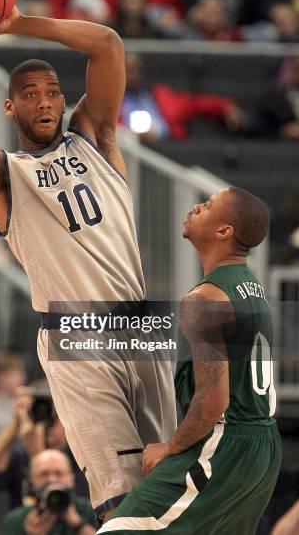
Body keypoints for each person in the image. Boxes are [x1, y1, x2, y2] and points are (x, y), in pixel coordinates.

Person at [0, 0, 176, 521]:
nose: (44, 103)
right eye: (29, 94)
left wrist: (19, 21)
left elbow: (108, 44)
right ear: (11, 107)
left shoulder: (96, 135)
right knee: (121, 496)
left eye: (51, 93)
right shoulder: (3, 177)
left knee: (168, 480)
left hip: (139, 323)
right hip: (74, 334)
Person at [98, 187, 281, 534]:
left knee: (118, 529)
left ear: (224, 231)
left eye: (208, 205)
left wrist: (171, 447)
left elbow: (213, 401)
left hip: (224, 443)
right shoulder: (252, 288)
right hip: (263, 447)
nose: (196, 207)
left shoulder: (205, 299)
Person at [0, 387, 89, 508]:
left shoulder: (80, 456)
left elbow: (62, 503)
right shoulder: (20, 455)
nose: (47, 423)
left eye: (54, 415)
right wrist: (16, 422)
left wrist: (37, 453)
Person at [120, 52, 246, 140]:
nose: (131, 74)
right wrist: (133, 136)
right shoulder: (109, 101)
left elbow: (196, 103)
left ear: (142, 72)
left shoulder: (162, 96)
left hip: (165, 151)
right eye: (127, 69)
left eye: (135, 69)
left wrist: (226, 107)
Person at [0, 449, 96, 535]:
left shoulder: (93, 510)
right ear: (32, 480)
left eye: (59, 473)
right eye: (43, 474)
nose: (52, 479)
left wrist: (77, 524)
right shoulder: (17, 520)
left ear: (72, 478)